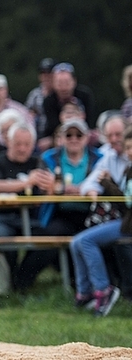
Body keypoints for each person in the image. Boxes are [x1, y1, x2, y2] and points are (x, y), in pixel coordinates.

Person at [16, 119, 102, 292]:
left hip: (92, 215)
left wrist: (63, 188)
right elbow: (43, 187)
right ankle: (20, 285)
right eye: (69, 135)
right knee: (48, 239)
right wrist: (79, 188)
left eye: (78, 135)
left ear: (86, 138)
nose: (74, 139)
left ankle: (95, 288)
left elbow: (101, 186)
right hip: (59, 212)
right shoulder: (49, 157)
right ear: (62, 138)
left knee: (98, 241)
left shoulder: (99, 157)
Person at [0, 122, 54, 293]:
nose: (22, 149)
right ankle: (3, 287)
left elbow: (47, 191)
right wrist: (26, 182)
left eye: (27, 145)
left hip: (29, 218)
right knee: (3, 240)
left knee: (49, 242)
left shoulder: (38, 162)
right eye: (18, 144)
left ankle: (22, 282)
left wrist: (50, 185)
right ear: (8, 142)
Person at [69, 124, 132, 317]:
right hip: (125, 222)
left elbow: (126, 203)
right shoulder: (128, 168)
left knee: (86, 241)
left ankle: (104, 290)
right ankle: (86, 293)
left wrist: (107, 185)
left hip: (128, 225)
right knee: (75, 242)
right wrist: (106, 185)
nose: (129, 152)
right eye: (128, 147)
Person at [41, 63, 97, 148]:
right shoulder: (48, 101)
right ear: (53, 83)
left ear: (74, 81)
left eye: (66, 83)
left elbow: (91, 121)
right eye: (60, 83)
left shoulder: (85, 95)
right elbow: (52, 125)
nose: (63, 88)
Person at [25, 57, 55, 138]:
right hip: (37, 135)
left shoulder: (60, 94)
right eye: (43, 73)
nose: (46, 76)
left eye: (49, 73)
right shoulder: (34, 94)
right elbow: (27, 114)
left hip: (56, 135)